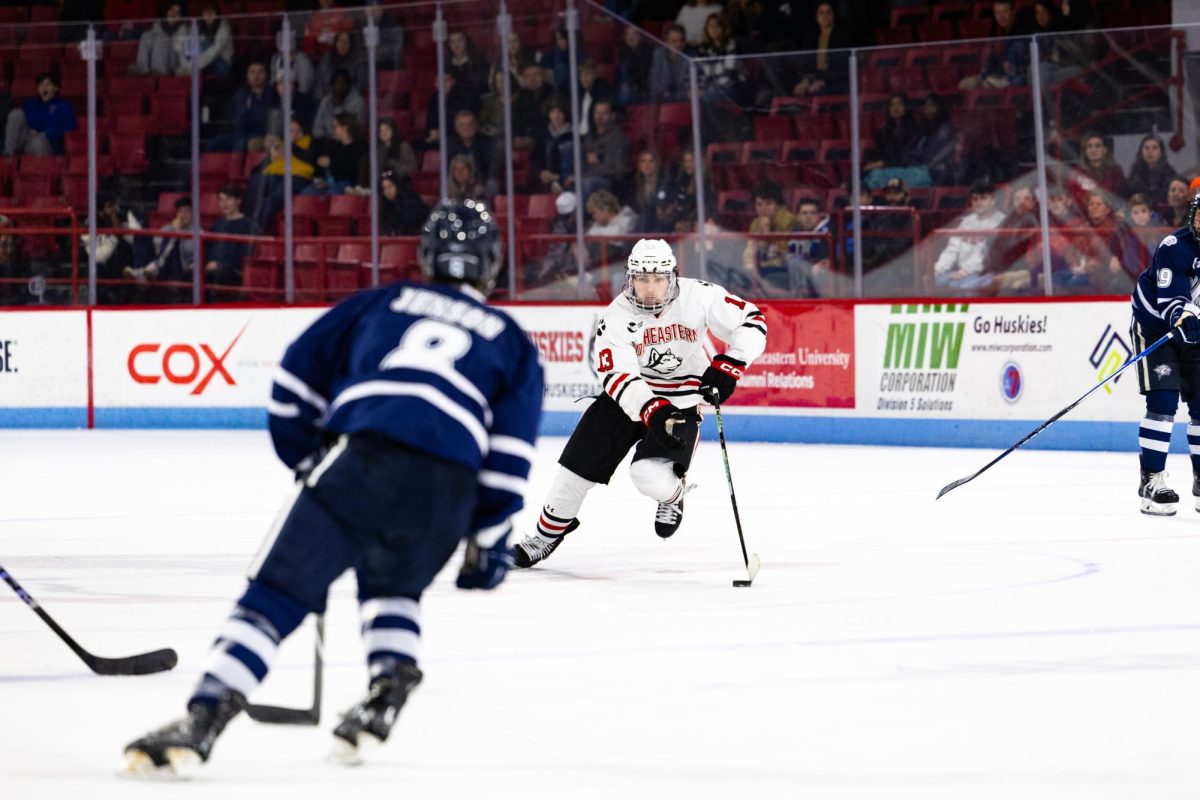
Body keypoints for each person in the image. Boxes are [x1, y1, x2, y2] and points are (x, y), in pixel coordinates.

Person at [123, 199, 544, 774]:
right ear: (491, 264)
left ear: (425, 255)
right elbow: (509, 459)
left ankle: (204, 717)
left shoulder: (383, 300)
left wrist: (308, 456)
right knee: (394, 589)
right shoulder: (514, 341)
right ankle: (386, 692)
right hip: (446, 488)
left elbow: (296, 374)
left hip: (361, 460)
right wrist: (488, 537)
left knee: (273, 597)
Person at [512, 237, 766, 566]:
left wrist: (731, 364)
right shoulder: (615, 316)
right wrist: (649, 408)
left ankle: (673, 495)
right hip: (627, 399)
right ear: (630, 278)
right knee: (573, 472)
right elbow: (617, 375)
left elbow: (752, 320)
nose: (650, 288)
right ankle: (545, 537)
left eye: (658, 279)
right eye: (642, 279)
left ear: (671, 277)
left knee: (647, 475)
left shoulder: (700, 295)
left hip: (681, 399)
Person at [1128, 193, 1200, 515]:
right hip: (1156, 328)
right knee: (1164, 400)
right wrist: (1183, 317)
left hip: (1194, 330)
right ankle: (1152, 480)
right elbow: (1172, 302)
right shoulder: (1175, 246)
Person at [933, 179, 1006, 292]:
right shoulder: (966, 222)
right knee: (937, 281)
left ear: (993, 200)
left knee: (959, 286)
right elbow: (952, 249)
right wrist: (937, 269)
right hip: (963, 271)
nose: (978, 202)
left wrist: (964, 271)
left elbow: (985, 254)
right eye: (975, 199)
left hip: (985, 271)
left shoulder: (1001, 221)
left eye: (983, 198)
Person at [126, 196, 195, 301]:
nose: (183, 215)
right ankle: (141, 269)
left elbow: (190, 254)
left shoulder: (198, 231)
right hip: (160, 261)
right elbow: (156, 243)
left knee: (174, 241)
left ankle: (144, 273)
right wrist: (172, 228)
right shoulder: (170, 226)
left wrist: (176, 231)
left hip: (179, 267)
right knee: (141, 236)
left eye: (187, 211)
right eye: (180, 211)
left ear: (193, 213)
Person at [204, 184, 258, 298]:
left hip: (234, 271)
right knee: (190, 274)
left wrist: (220, 264)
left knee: (217, 276)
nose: (224, 204)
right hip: (213, 268)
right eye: (221, 200)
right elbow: (208, 248)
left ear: (238, 201)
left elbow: (246, 254)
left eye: (228, 199)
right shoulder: (217, 224)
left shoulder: (249, 226)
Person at [4, 72, 76, 156]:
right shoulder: (30, 104)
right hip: (27, 141)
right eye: (41, 85)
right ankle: (8, 156)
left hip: (48, 143)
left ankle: (43, 167)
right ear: (38, 89)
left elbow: (70, 128)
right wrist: (30, 130)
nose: (44, 88)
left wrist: (44, 133)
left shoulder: (64, 105)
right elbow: (20, 124)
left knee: (37, 140)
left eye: (48, 85)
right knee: (16, 113)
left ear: (55, 88)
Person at [1125, 134, 1176, 207]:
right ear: (1141, 152)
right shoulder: (1135, 173)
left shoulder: (1169, 174)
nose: (1150, 152)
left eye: (1154, 148)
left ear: (1161, 152)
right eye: (1146, 148)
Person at [647, 24, 689, 103]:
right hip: (661, 101)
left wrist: (674, 96)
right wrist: (663, 93)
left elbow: (689, 89)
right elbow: (653, 82)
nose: (678, 44)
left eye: (681, 41)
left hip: (683, 101)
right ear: (666, 42)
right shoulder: (658, 54)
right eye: (674, 41)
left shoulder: (688, 56)